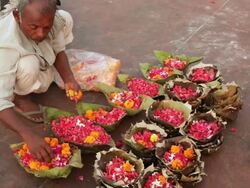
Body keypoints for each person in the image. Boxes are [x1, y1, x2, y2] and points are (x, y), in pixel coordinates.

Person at [0, 0, 82, 162]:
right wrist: (28, 134)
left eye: (46, 27)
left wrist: (69, 78)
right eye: (33, 27)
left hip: (38, 49)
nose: (40, 34)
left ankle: (43, 63)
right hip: (10, 65)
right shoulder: (6, 45)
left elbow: (59, 50)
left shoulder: (51, 20)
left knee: (66, 18)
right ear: (18, 16)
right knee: (29, 65)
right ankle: (21, 98)